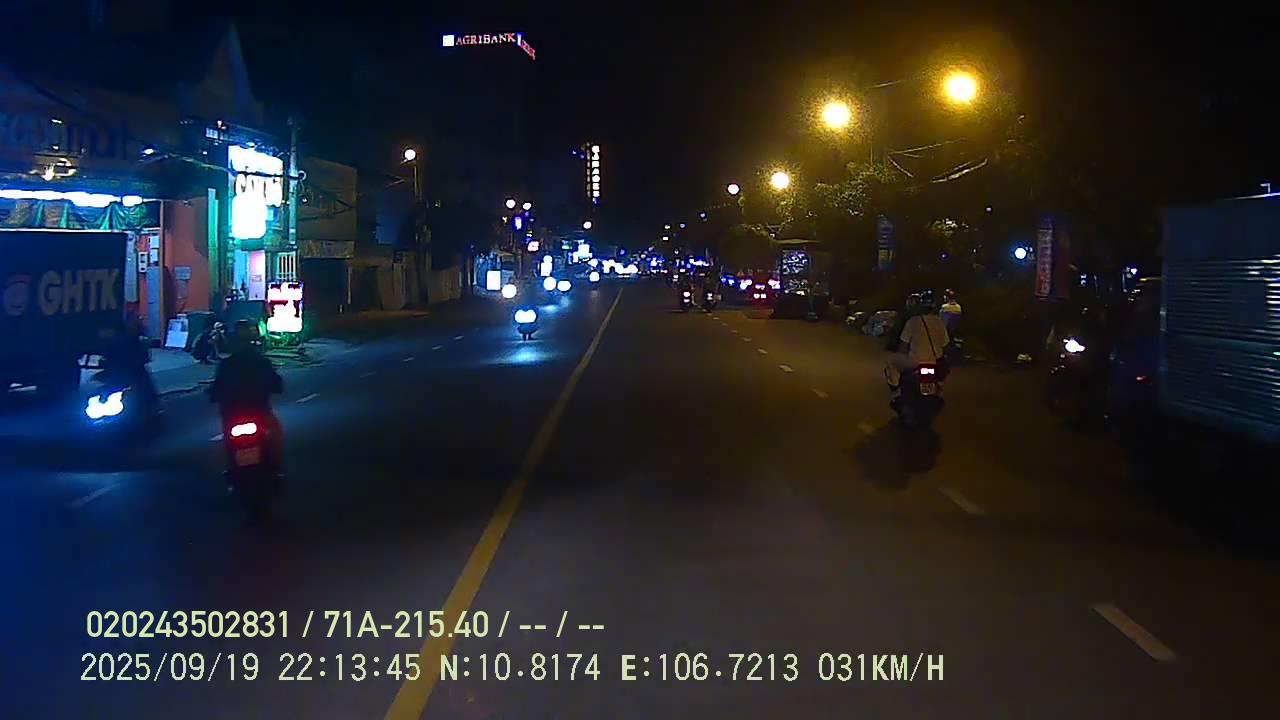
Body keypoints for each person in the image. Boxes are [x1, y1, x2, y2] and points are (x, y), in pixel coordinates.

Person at [210, 321, 284, 459]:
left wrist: (214, 394)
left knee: (229, 438)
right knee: (275, 435)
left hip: (236, 414)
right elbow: (276, 384)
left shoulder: (227, 364)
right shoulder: (261, 362)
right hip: (256, 412)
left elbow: (216, 389)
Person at [884, 292, 950, 404]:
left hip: (915, 362)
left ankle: (896, 390)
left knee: (891, 362)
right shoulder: (940, 322)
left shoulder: (913, 321)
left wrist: (901, 353)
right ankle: (938, 387)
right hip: (935, 362)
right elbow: (945, 344)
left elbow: (903, 346)